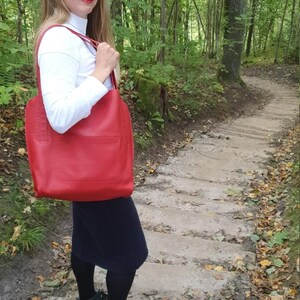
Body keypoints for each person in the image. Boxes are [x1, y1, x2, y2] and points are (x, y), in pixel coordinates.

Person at [35, 1, 148, 300]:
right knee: (130, 254)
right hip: (94, 169)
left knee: (85, 239)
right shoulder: (59, 38)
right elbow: (58, 117)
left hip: (88, 166)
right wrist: (100, 73)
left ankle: (87, 296)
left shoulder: (80, 36)